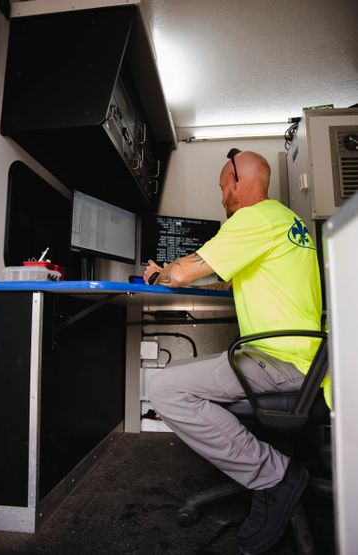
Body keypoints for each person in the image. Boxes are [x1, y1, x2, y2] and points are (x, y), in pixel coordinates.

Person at [143, 150, 322, 555]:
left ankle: (273, 475)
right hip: (304, 359)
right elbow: (225, 283)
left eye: (222, 186)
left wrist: (160, 274)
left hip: (280, 361)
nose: (222, 195)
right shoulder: (285, 219)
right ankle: (236, 459)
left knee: (165, 388)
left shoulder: (252, 218)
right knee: (186, 368)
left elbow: (185, 272)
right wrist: (191, 278)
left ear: (237, 181)